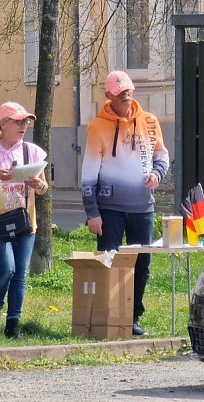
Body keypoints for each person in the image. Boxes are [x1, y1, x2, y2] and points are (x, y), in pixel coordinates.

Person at [81, 70, 169, 337]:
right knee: (109, 261)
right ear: (108, 95)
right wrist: (92, 213)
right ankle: (108, 318)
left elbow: (162, 156)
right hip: (110, 208)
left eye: (128, 91)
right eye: (120, 93)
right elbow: (88, 175)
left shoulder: (150, 122)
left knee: (142, 264)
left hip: (143, 207)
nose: (126, 96)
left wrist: (157, 174)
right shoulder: (98, 127)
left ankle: (133, 317)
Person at [0, 101, 48, 339]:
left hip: (25, 222)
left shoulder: (32, 152)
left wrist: (38, 184)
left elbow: (44, 188)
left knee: (21, 274)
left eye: (26, 121)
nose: (23, 125)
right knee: (7, 268)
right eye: (18, 121)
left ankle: (13, 324)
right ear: (2, 124)